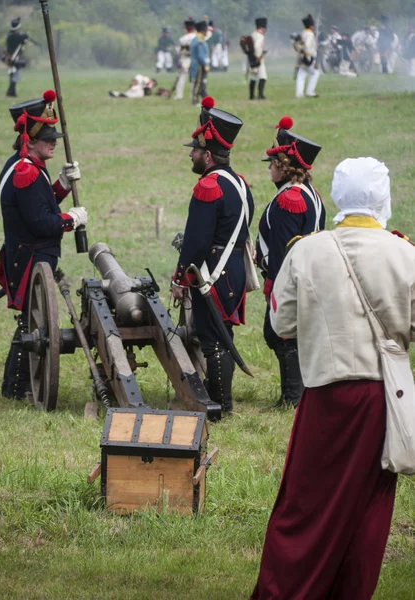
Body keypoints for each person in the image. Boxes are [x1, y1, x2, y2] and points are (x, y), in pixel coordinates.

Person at [251, 156, 410, 600]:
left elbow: (281, 325)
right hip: (384, 401)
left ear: (339, 196)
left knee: (304, 506)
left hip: (325, 394)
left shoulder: (307, 250)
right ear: (383, 197)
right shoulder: (405, 254)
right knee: (369, 511)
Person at [0, 90, 87, 400]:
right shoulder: (25, 172)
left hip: (31, 254)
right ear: (29, 140)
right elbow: (40, 223)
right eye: (47, 137)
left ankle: (15, 386)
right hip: (31, 256)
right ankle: (18, 388)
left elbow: (41, 203)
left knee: (29, 322)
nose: (54, 142)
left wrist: (61, 184)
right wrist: (70, 220)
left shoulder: (28, 166)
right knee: (31, 325)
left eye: (54, 136)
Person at [171, 96, 254, 414]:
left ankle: (219, 404)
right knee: (222, 332)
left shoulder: (209, 186)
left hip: (212, 273)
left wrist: (180, 278)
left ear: (207, 154)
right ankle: (220, 398)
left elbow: (197, 241)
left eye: (194, 150)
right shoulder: (240, 184)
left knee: (212, 338)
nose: (191, 154)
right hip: (231, 269)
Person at [256, 116, 325, 408]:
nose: (269, 169)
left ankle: (293, 398)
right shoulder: (309, 193)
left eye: (273, 164)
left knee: (279, 334)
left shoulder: (290, 199)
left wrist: (274, 283)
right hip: (307, 275)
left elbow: (283, 249)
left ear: (284, 168)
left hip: (290, 276)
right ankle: (294, 394)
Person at [295, 13, 320, 98]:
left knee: (301, 75)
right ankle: (310, 92)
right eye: (313, 25)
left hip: (302, 56)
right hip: (308, 57)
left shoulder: (303, 33)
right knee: (315, 73)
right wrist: (309, 57)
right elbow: (307, 46)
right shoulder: (310, 34)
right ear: (311, 26)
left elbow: (300, 45)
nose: (314, 27)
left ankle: (299, 94)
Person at [4, 17, 29, 97]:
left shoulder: (9, 35)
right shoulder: (17, 36)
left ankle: (12, 92)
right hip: (15, 57)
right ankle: (10, 92)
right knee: (16, 75)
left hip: (9, 57)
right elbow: (25, 37)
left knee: (12, 74)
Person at [174, 18, 196, 100]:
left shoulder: (183, 38)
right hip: (194, 59)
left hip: (185, 59)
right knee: (194, 78)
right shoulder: (197, 37)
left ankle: (179, 95)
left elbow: (179, 51)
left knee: (181, 77)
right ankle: (193, 95)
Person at [190, 21, 210, 105]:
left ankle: (202, 98)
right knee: (198, 83)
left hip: (198, 64)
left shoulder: (197, 39)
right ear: (202, 30)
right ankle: (195, 100)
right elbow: (200, 55)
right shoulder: (199, 41)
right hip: (199, 65)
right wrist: (205, 65)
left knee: (201, 83)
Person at [249, 18, 268, 100]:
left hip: (251, 59)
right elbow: (257, 47)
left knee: (253, 77)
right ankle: (261, 95)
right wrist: (258, 57)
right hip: (258, 59)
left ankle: (252, 95)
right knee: (263, 77)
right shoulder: (260, 36)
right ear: (261, 27)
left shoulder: (253, 34)